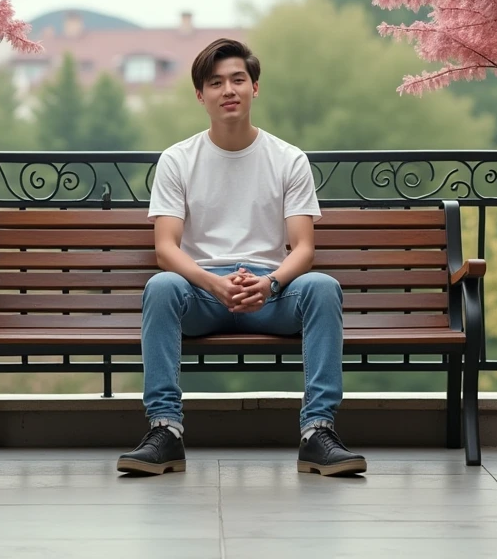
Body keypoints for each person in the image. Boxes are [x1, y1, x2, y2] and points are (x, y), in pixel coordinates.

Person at [116, 38, 366, 477]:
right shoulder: (178, 160)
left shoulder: (288, 159)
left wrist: (270, 284)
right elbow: (165, 248)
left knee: (323, 287)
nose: (228, 90)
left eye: (237, 80)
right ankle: (165, 430)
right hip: (202, 294)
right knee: (161, 286)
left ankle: (318, 432)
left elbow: (304, 247)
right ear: (201, 95)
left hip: (270, 293)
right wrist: (213, 283)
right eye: (216, 83)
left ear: (255, 88)